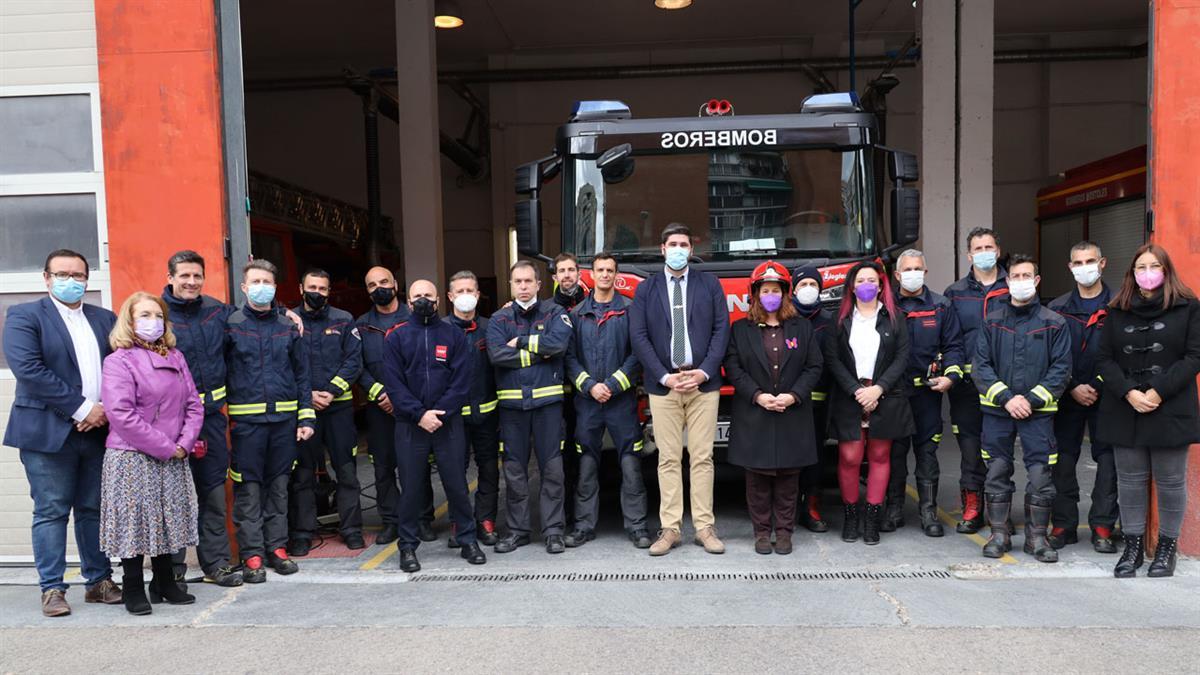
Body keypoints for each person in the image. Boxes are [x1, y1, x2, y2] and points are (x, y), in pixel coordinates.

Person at [3, 249, 122, 616]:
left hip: (97, 431)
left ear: (88, 279)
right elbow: (29, 370)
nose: (71, 281)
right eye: (62, 274)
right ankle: (52, 588)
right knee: (51, 510)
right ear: (46, 278)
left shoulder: (105, 318)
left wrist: (104, 410)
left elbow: (120, 368)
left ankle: (99, 581)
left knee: (93, 508)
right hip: (47, 432)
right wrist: (83, 408)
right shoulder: (24, 316)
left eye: (78, 275)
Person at [1096, 243, 1200, 578]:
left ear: (1166, 271)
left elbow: (1194, 357)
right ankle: (1132, 547)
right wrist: (1128, 392)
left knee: (1170, 481)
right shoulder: (1117, 309)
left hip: (1170, 406)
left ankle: (1166, 550)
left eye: (1154, 266)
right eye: (1141, 267)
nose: (1147, 273)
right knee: (1130, 481)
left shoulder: (1189, 308)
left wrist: (1157, 391)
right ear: (1132, 273)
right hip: (1125, 407)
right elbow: (1104, 359)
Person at [99, 292, 204, 615]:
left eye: (158, 316)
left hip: (173, 453)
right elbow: (121, 414)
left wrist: (183, 443)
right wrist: (167, 447)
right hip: (132, 455)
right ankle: (133, 586)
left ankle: (164, 582)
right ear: (129, 321)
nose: (153, 322)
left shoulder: (176, 356)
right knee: (135, 521)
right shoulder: (118, 361)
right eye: (144, 315)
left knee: (165, 518)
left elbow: (194, 405)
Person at [629, 223, 731, 556]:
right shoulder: (647, 289)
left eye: (683, 244)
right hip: (664, 387)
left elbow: (721, 331)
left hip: (703, 384)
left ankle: (704, 528)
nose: (677, 249)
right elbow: (639, 337)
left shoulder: (709, 284)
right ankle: (670, 529)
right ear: (662, 249)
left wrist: (704, 372)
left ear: (691, 249)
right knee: (668, 459)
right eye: (672, 244)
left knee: (702, 458)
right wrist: (664, 376)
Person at [383, 280, 486, 572]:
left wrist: (439, 413)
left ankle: (468, 540)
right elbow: (394, 383)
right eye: (417, 296)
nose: (423, 300)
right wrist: (419, 415)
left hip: (447, 423)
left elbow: (462, 381)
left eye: (428, 295)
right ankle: (407, 547)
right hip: (410, 425)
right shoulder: (396, 337)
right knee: (411, 489)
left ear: (439, 299)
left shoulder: (453, 336)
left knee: (457, 485)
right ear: (408, 301)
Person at [973, 254, 1071, 563]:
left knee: (1041, 473)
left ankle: (1036, 538)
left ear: (1037, 281)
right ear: (1007, 281)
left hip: (1038, 413)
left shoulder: (1054, 323)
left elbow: (1061, 369)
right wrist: (1007, 398)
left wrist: (1030, 400)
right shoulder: (992, 321)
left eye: (1026, 276)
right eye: (1015, 276)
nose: (1021, 281)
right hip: (998, 411)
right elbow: (981, 366)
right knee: (996, 470)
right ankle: (999, 535)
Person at [724, 262, 824, 554]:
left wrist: (794, 395)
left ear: (785, 294)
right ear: (755, 294)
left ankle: (784, 532)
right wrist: (757, 395)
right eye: (765, 291)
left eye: (776, 291)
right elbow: (733, 367)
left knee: (788, 480)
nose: (771, 296)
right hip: (755, 413)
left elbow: (814, 366)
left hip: (792, 413)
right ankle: (761, 532)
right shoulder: (740, 329)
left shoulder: (802, 328)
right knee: (756, 480)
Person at [225, 259, 315, 582]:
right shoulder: (230, 325)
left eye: (267, 282)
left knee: (279, 487)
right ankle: (252, 554)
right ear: (244, 287)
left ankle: (277, 547)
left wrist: (306, 416)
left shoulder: (288, 326)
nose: (261, 287)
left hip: (283, 422)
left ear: (275, 288)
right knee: (249, 490)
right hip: (247, 425)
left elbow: (302, 374)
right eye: (255, 282)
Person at [161, 250, 242, 587]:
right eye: (184, 275)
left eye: (197, 276)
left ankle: (217, 564)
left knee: (212, 494)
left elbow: (252, 320)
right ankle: (172, 571)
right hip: (170, 424)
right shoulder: (156, 314)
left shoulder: (218, 312)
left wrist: (287, 314)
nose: (191, 282)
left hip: (210, 420)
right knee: (173, 498)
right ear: (170, 278)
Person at [563, 253, 651, 549]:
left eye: (609, 270)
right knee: (587, 465)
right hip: (588, 403)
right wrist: (590, 386)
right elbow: (569, 358)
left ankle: (637, 527)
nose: (604, 275)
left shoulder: (630, 311)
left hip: (620, 402)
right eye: (599, 270)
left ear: (616, 275)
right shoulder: (576, 314)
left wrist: (611, 386)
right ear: (591, 275)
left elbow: (637, 354)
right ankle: (583, 526)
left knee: (630, 464)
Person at [824, 261, 914, 545]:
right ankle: (852, 516)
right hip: (849, 395)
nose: (866, 285)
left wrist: (878, 389)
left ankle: (872, 518)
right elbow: (832, 359)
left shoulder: (895, 318)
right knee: (850, 457)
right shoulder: (840, 319)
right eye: (861, 280)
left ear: (880, 285)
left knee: (879, 456)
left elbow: (901, 357)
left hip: (883, 395)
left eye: (872, 280)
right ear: (851, 287)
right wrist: (856, 390)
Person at [488, 260, 573, 554]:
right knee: (514, 471)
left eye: (528, 281)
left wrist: (522, 342)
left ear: (538, 284)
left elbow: (558, 345)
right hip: (512, 408)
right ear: (511, 285)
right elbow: (497, 355)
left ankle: (554, 531)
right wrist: (538, 354)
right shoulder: (498, 319)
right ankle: (517, 531)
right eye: (518, 281)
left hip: (547, 406)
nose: (523, 286)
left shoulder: (555, 313)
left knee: (553, 470)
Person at [1047, 241, 1119, 553]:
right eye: (1078, 262)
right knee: (1063, 458)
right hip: (1067, 395)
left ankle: (1103, 526)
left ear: (1102, 263)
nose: (1084, 267)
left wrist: (1099, 384)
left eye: (1090, 261)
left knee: (1108, 459)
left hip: (1109, 395)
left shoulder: (1120, 305)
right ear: (1070, 267)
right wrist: (1073, 385)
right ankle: (1063, 524)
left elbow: (1123, 353)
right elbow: (1050, 355)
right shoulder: (1057, 309)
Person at [886, 250, 965, 537]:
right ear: (897, 275)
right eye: (907, 269)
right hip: (893, 394)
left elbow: (954, 346)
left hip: (927, 395)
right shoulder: (885, 305)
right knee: (895, 453)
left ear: (926, 272)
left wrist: (951, 376)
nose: (913, 274)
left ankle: (928, 512)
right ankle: (893, 509)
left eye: (917, 268)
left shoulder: (941, 306)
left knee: (927, 452)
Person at [288, 269, 364, 555]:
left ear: (329, 292)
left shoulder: (344, 320)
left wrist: (331, 391)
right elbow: (285, 363)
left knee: (346, 471)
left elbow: (354, 361)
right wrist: (307, 395)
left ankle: (352, 529)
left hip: (338, 408)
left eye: (322, 288)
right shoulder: (288, 322)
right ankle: (303, 533)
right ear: (301, 289)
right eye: (312, 287)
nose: (317, 293)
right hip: (304, 409)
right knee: (303, 474)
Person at [943, 227, 1009, 534]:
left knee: (999, 451)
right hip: (967, 388)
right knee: (970, 448)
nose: (984, 252)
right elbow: (951, 341)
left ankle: (999, 510)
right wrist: (953, 373)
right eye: (978, 248)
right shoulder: (954, 294)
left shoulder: (1013, 287)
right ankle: (972, 507)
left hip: (1005, 387)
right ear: (969, 255)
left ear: (998, 251)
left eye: (989, 247)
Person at [355, 266, 411, 547]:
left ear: (395, 284)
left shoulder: (413, 318)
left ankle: (419, 519)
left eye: (384, 282)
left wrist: (400, 397)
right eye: (372, 285)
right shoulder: (361, 325)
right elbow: (357, 365)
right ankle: (391, 521)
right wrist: (378, 393)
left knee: (414, 465)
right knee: (383, 467)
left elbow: (422, 363)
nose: (379, 288)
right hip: (378, 408)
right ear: (367, 291)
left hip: (411, 407)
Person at [446, 270, 501, 546]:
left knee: (489, 469)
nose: (465, 296)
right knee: (455, 471)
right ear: (450, 296)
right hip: (453, 417)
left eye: (470, 291)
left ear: (478, 295)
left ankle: (486, 520)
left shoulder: (492, 328)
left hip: (487, 415)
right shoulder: (441, 330)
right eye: (460, 291)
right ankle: (459, 523)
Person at [792, 265, 834, 532]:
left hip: (819, 401)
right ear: (793, 290)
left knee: (816, 455)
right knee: (788, 456)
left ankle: (811, 506)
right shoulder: (785, 319)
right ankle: (787, 507)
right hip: (788, 402)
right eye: (803, 284)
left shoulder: (830, 321)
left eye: (813, 285)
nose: (808, 289)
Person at [551, 252, 585, 526]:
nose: (566, 275)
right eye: (561, 271)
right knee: (563, 456)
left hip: (586, 390)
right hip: (560, 394)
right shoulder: (547, 309)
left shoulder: (592, 303)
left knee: (586, 452)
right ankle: (567, 515)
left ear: (579, 273)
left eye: (571, 270)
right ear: (555, 277)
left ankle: (586, 513)